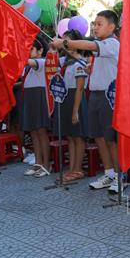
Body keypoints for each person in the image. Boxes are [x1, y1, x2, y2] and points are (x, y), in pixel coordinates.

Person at [53, 10, 121, 192]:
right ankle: (109, 173)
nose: (95, 27)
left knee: (110, 139)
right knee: (98, 137)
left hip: (109, 96)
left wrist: (65, 42)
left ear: (112, 26)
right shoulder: (100, 45)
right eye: (94, 24)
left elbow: (89, 46)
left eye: (100, 24)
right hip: (95, 95)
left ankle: (120, 176)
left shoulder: (112, 44)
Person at [53, 29, 88, 183]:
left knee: (78, 137)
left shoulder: (80, 61)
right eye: (63, 40)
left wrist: (75, 111)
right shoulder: (65, 62)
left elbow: (80, 88)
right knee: (70, 136)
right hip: (66, 99)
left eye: (68, 41)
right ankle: (72, 167)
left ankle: (78, 169)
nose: (65, 44)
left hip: (77, 100)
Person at [22, 36, 52, 177]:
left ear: (40, 50)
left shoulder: (42, 62)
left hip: (39, 97)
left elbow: (25, 61)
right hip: (30, 96)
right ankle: (38, 163)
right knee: (34, 132)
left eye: (31, 49)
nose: (28, 51)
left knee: (41, 132)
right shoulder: (29, 66)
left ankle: (46, 164)